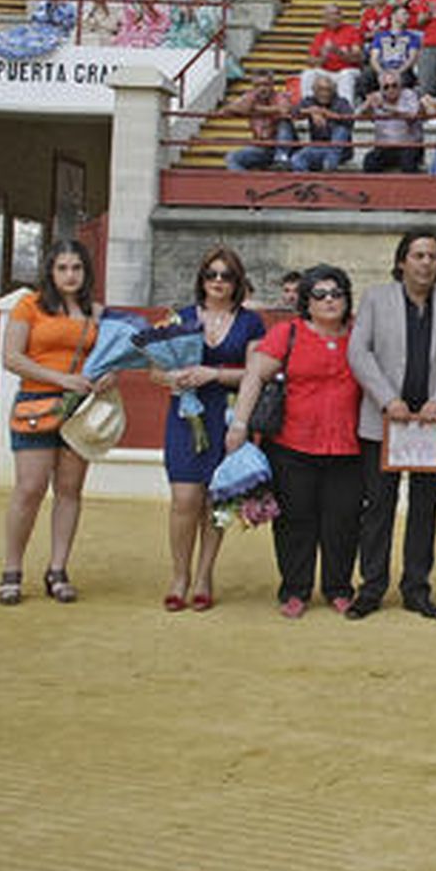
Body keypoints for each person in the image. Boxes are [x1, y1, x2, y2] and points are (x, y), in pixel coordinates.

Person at [342, 233, 436, 621]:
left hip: (434, 424)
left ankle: (416, 589)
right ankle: (370, 588)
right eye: (417, 255)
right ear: (402, 261)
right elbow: (358, 351)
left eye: (432, 256)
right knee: (378, 507)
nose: (425, 263)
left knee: (425, 508)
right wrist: (389, 399)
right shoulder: (375, 298)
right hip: (384, 421)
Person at [228, 265, 363, 619]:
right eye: (320, 294)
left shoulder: (360, 333)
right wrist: (239, 424)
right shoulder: (287, 333)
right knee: (295, 521)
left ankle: (339, 588)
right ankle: (295, 589)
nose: (330, 300)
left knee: (343, 521)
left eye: (337, 293)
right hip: (292, 444)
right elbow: (255, 376)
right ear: (306, 301)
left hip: (348, 446)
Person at [0, 241, 112, 606]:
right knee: (29, 488)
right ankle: (12, 569)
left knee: (69, 489)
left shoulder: (96, 312)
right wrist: (62, 379)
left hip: (81, 407)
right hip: (36, 402)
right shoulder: (28, 305)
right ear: (50, 271)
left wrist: (109, 376)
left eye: (76, 268)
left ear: (86, 272)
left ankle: (58, 569)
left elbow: (110, 357)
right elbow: (12, 358)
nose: (69, 275)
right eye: (62, 268)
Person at [155, 247, 266, 612]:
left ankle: (204, 575)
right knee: (185, 499)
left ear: (238, 283)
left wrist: (214, 374)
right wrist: (171, 376)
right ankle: (179, 575)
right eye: (211, 274)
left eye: (227, 276)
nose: (218, 281)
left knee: (215, 499)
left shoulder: (251, 323)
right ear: (201, 279)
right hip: (186, 416)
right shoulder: (180, 317)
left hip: (228, 414)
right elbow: (153, 369)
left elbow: (256, 373)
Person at [290, 76, 355, 172]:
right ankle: (306, 182)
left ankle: (330, 162)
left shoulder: (341, 102)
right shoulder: (310, 101)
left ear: (333, 91)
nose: (324, 94)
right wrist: (310, 111)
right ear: (314, 90)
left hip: (340, 151)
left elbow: (349, 120)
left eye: (328, 90)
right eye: (321, 90)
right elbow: (293, 111)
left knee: (341, 129)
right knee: (296, 158)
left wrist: (326, 113)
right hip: (318, 147)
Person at [363, 71, 423, 173]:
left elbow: (412, 115)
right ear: (381, 89)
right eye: (386, 87)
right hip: (384, 146)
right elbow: (359, 115)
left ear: (400, 86)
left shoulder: (409, 95)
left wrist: (386, 107)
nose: (391, 89)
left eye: (394, 85)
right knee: (369, 162)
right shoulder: (377, 97)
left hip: (408, 145)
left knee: (408, 165)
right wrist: (367, 105)